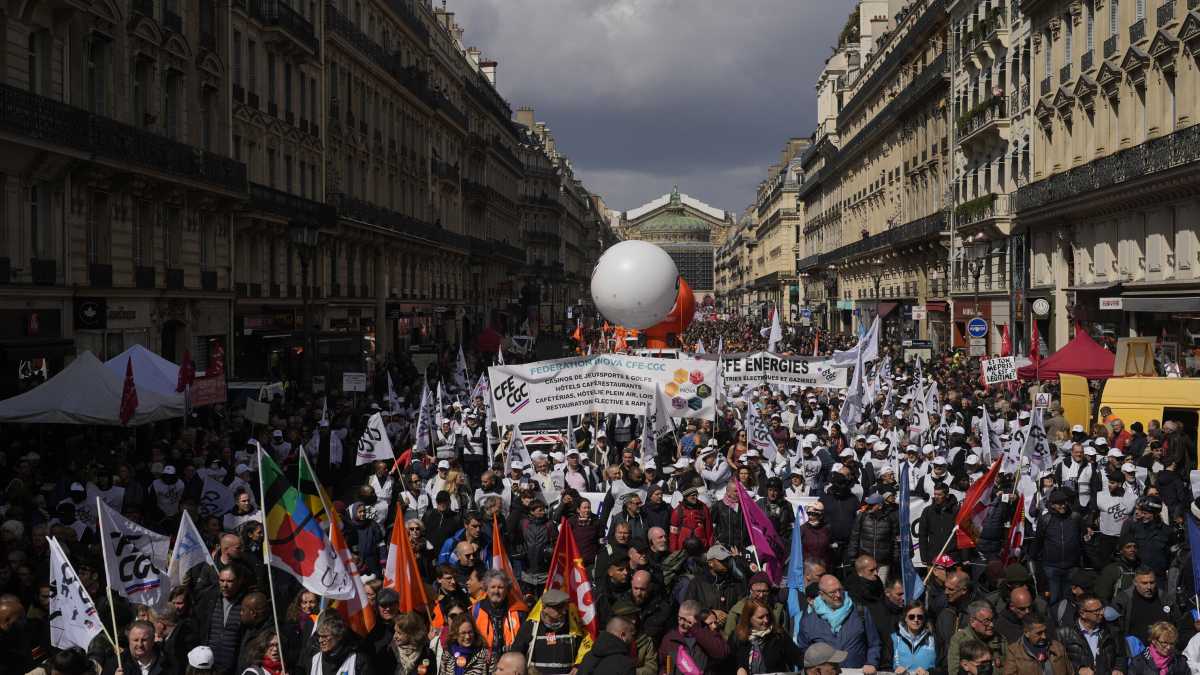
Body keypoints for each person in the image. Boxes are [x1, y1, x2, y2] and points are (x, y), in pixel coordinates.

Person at [795, 574, 880, 672]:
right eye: (832, 592)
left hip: (858, 672)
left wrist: (872, 663)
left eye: (840, 590)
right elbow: (804, 651)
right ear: (821, 594)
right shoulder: (809, 621)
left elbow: (874, 643)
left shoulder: (860, 612)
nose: (838, 595)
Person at [510, 589, 584, 675]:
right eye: (558, 607)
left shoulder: (573, 624)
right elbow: (516, 654)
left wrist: (578, 666)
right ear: (544, 607)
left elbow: (583, 649)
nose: (564, 611)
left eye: (565, 606)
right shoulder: (531, 625)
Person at [1054, 593, 1126, 675]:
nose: (1102, 613)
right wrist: (1077, 670)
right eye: (1097, 611)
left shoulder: (1111, 630)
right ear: (1082, 613)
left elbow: (1121, 655)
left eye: (1102, 608)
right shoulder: (1064, 633)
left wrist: (1118, 669)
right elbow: (1057, 663)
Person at [728, 597, 804, 675]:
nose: (766, 620)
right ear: (749, 618)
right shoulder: (737, 636)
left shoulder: (779, 635)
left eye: (767, 615)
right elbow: (730, 663)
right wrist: (740, 668)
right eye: (760, 617)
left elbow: (798, 657)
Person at [658, 599, 730, 674]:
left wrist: (695, 629)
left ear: (697, 620)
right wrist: (663, 672)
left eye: (686, 620)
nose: (681, 623)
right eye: (679, 618)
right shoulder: (670, 639)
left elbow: (721, 653)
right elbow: (663, 664)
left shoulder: (707, 635)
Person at [471, 569, 526, 653]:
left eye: (500, 587)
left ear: (507, 590)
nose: (496, 591)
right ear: (486, 589)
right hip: (484, 659)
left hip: (510, 658)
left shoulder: (518, 611)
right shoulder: (476, 609)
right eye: (493, 587)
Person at [947, 601, 1005, 675]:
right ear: (973, 622)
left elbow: (1008, 668)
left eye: (993, 619)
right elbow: (953, 672)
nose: (991, 624)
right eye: (986, 621)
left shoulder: (999, 639)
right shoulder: (959, 639)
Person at [1003, 613, 1070, 675]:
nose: (1044, 636)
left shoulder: (1057, 647)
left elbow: (1070, 672)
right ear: (1027, 633)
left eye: (1045, 631)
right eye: (1039, 633)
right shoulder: (1014, 652)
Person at [890, 601, 936, 675]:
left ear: (924, 619)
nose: (916, 620)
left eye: (920, 617)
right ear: (905, 618)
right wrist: (896, 670)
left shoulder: (934, 639)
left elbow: (943, 667)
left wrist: (929, 673)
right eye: (911, 617)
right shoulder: (894, 639)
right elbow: (884, 666)